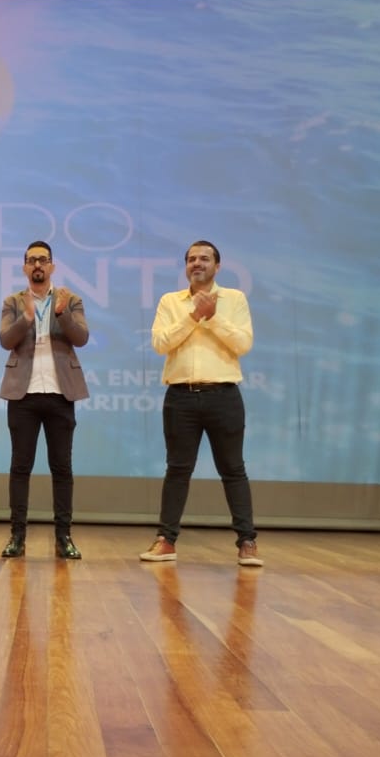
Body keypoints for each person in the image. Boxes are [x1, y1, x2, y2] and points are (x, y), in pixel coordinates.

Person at [140, 240, 262, 566]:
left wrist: (213, 318)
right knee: (177, 469)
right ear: (186, 267)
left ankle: (247, 542)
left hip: (224, 395)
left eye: (205, 258)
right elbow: (160, 343)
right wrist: (194, 316)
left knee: (233, 469)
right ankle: (166, 541)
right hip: (181, 396)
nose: (197, 263)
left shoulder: (234, 299)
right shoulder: (171, 301)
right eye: (192, 259)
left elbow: (243, 343)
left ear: (217, 266)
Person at [0, 240, 90, 559]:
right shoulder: (13, 301)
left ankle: (64, 537)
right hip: (22, 394)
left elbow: (81, 338)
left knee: (62, 467)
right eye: (32, 260)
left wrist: (62, 314)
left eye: (43, 260)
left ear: (52, 266)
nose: (37, 264)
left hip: (60, 392)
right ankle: (17, 537)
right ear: (24, 267)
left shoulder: (70, 299)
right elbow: (5, 340)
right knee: (20, 466)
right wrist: (25, 318)